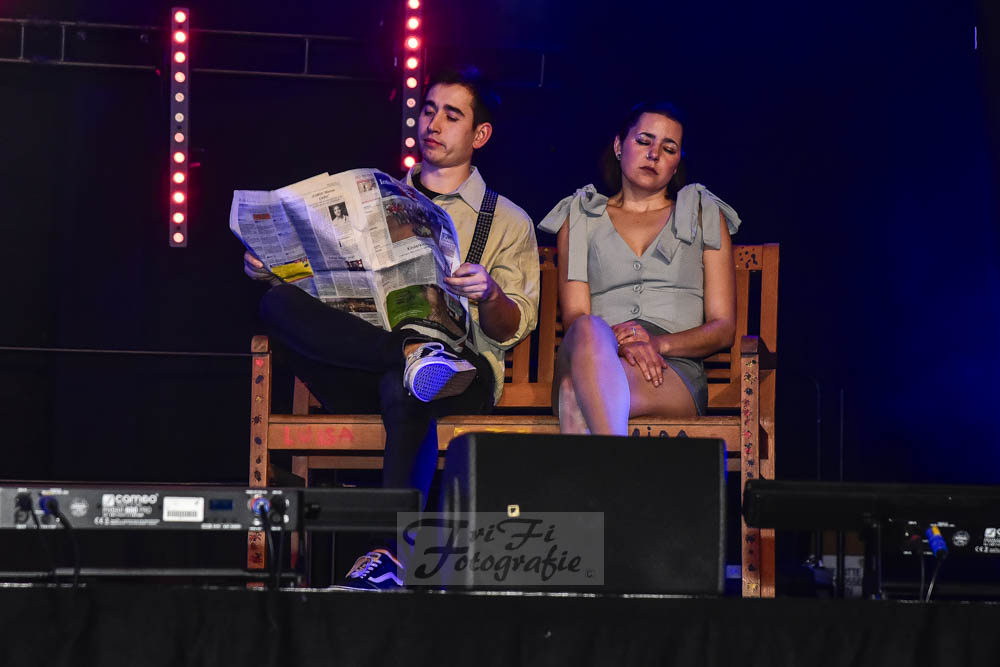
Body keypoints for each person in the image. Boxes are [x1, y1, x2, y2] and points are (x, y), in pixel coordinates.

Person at [243, 66, 539, 588]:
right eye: (429, 110)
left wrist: (490, 293)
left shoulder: (507, 219)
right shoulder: (377, 198)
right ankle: (406, 354)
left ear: (480, 134)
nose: (434, 123)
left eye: (452, 115)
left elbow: (511, 327)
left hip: (459, 374)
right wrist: (276, 265)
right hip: (365, 357)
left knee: (410, 388)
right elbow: (326, 287)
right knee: (277, 303)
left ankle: (389, 553)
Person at [537, 102, 740, 435]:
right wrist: (619, 344)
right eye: (644, 141)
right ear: (619, 146)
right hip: (594, 351)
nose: (654, 154)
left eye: (668, 149)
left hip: (669, 367)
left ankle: (601, 463)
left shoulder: (703, 216)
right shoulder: (581, 217)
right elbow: (575, 316)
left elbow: (722, 327)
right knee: (587, 328)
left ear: (676, 163)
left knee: (576, 395)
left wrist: (658, 344)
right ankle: (615, 460)